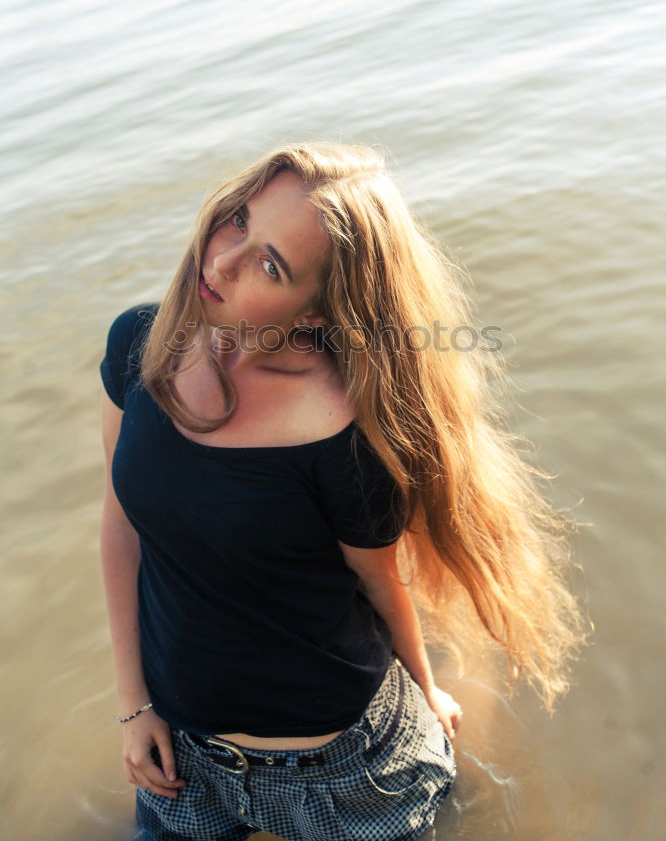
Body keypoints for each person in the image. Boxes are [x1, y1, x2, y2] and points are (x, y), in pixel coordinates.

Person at [99, 142, 586, 841]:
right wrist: (132, 704)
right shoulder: (137, 345)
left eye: (271, 264)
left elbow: (379, 582)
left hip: (345, 773)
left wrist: (425, 686)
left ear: (317, 313)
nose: (222, 260)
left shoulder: (346, 434)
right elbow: (122, 527)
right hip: (182, 755)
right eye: (238, 219)